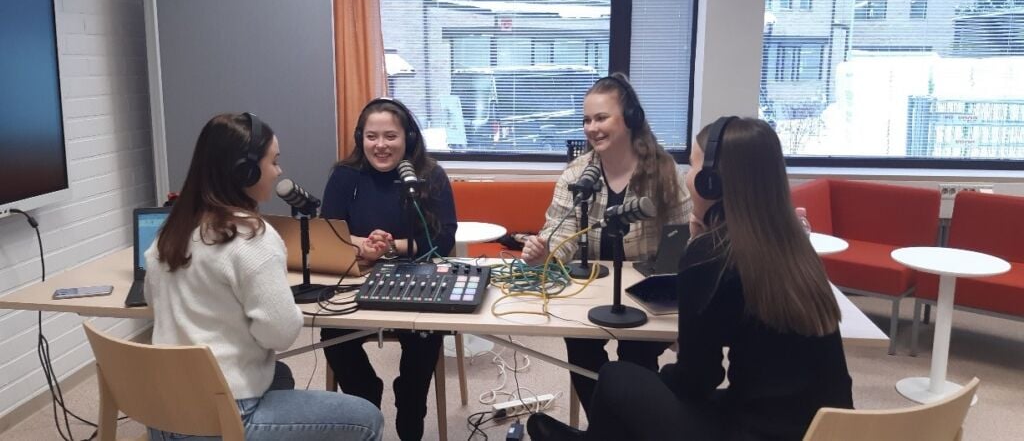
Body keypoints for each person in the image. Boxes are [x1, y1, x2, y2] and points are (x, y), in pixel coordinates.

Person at [527, 117, 854, 440]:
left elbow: (700, 378)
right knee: (647, 393)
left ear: (712, 182)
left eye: (694, 167)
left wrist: (662, 380)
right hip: (823, 430)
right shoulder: (796, 244)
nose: (687, 176)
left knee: (617, 376)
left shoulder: (710, 255)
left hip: (752, 430)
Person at [144, 113, 383, 441]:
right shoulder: (251, 236)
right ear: (246, 171)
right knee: (366, 419)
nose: (279, 171)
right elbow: (280, 334)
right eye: (274, 161)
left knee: (279, 375)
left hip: (164, 412)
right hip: (225, 416)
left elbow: (152, 298)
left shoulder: (170, 230)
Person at [521, 73, 693, 419]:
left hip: (647, 294)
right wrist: (544, 253)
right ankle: (611, 429)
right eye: (586, 119)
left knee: (637, 361)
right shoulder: (576, 173)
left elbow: (683, 236)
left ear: (629, 119)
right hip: (590, 290)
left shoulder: (663, 170)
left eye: (601, 118)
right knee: (581, 353)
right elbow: (560, 229)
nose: (591, 128)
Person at [320, 98, 457, 440]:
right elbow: (329, 232)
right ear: (360, 139)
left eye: (390, 136)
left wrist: (391, 245)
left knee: (424, 340)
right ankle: (366, 396)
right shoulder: (345, 176)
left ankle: (410, 412)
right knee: (332, 333)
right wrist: (363, 244)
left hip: (417, 280)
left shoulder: (430, 176)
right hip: (357, 277)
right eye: (371, 136)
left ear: (408, 138)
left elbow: (443, 238)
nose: (380, 145)